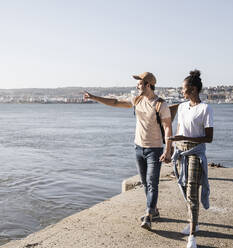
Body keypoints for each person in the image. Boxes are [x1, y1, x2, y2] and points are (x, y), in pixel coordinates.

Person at [83, 72, 174, 230]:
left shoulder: (161, 105)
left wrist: (168, 149)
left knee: (152, 183)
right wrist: (94, 97)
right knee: (145, 183)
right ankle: (154, 210)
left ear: (147, 85)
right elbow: (116, 102)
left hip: (155, 149)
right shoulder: (137, 100)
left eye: (139, 84)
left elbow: (167, 128)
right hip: (138, 148)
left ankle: (148, 215)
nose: (137, 86)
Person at [169, 70, 213, 248]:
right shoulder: (182, 107)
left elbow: (208, 138)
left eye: (184, 90)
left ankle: (192, 237)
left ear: (193, 90)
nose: (182, 92)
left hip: (195, 153)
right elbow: (179, 130)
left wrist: (184, 139)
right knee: (184, 189)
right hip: (180, 153)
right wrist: (171, 148)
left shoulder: (205, 109)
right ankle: (193, 222)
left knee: (192, 194)